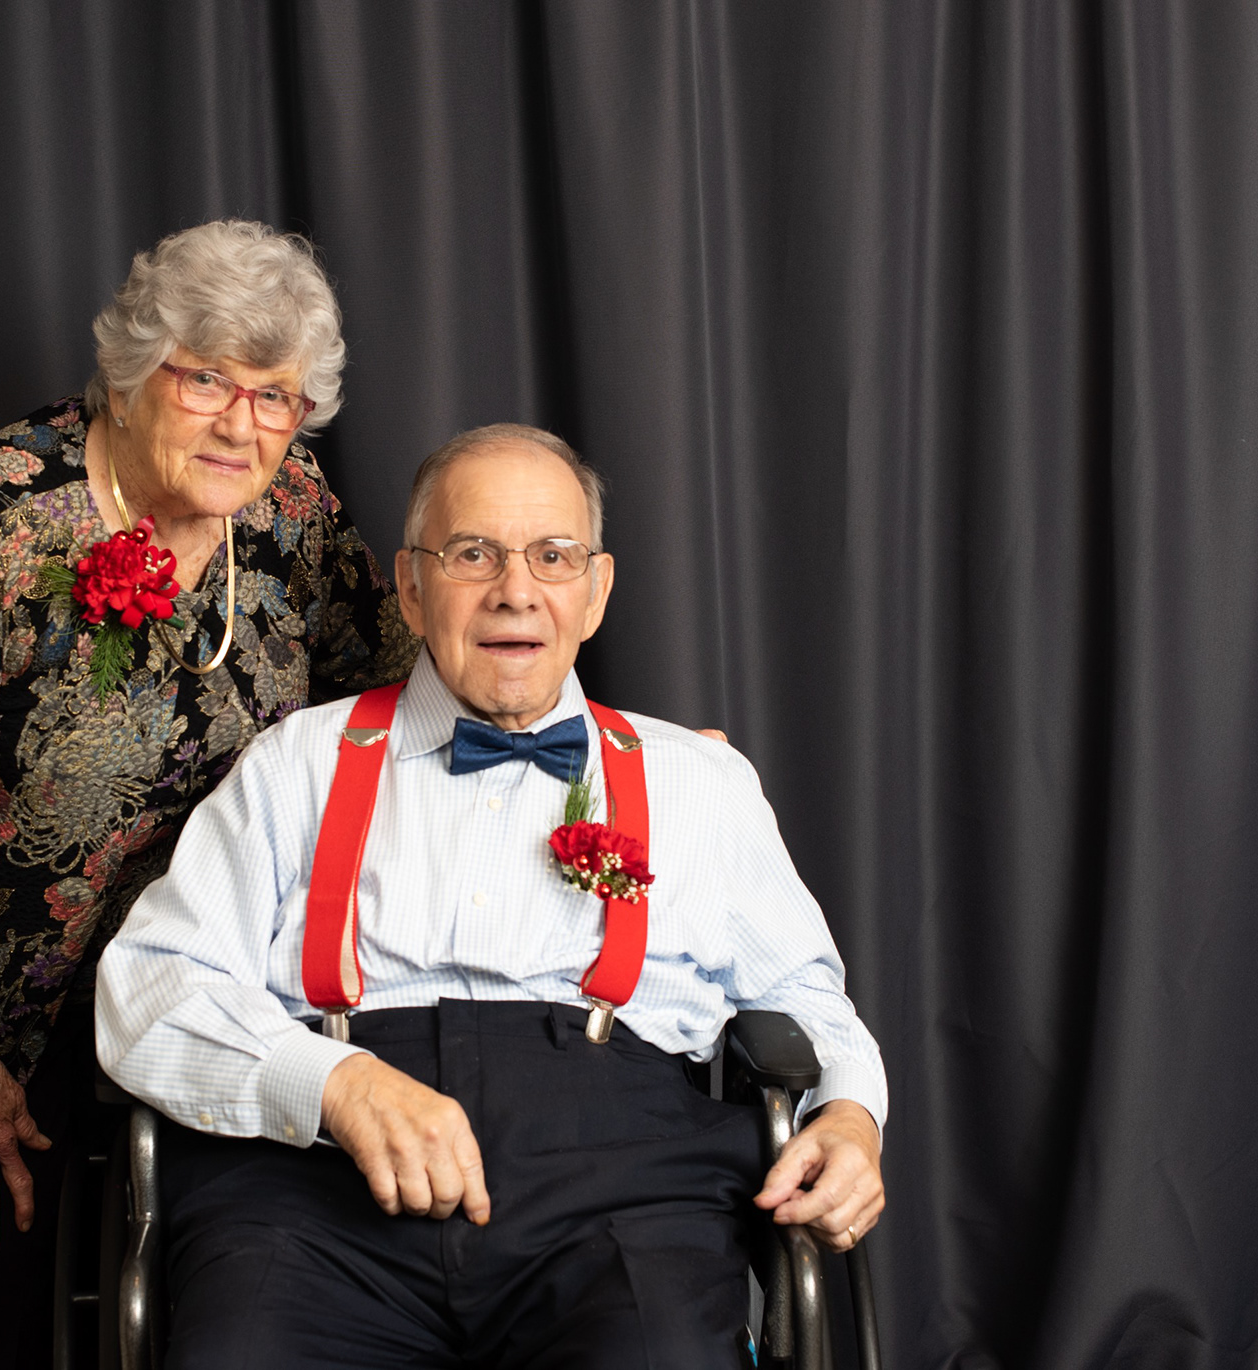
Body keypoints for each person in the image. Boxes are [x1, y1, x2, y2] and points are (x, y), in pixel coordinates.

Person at [96, 423, 888, 1369]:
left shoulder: (700, 782)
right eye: (473, 554)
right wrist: (332, 1083)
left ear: (596, 592)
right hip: (312, 1197)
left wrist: (848, 1117)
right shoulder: (294, 763)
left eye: (553, 556)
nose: (516, 590)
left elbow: (805, 1000)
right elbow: (152, 988)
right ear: (410, 587)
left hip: (623, 1197)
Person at [0, 220, 416, 1367]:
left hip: (203, 981)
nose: (241, 424)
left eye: (275, 396)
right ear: (134, 373)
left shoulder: (290, 511)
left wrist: (599, 745)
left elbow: (393, 678)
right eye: (207, 380)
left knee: (206, 1304)